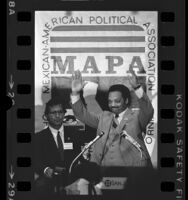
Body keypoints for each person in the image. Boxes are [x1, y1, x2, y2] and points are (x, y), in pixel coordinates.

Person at [70, 69, 154, 167]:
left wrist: (137, 88)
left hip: (132, 174)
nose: (113, 104)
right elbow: (81, 114)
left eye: (117, 101)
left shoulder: (136, 117)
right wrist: (75, 93)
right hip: (106, 175)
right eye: (110, 101)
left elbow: (148, 110)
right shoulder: (104, 117)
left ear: (126, 100)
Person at [33, 97, 71, 199]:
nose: (57, 116)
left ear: (64, 114)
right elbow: (35, 161)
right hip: (50, 178)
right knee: (39, 186)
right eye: (53, 113)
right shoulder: (38, 137)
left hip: (71, 176)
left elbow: (80, 157)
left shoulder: (75, 134)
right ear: (46, 116)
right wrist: (46, 170)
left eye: (60, 112)